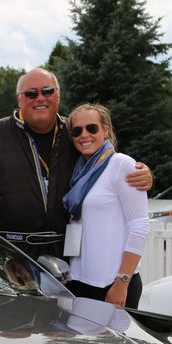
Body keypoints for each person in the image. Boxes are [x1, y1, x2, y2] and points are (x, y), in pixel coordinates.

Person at [0, 67, 152, 258]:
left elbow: (107, 168)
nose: (40, 98)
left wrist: (143, 173)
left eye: (47, 91)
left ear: (58, 95)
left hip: (69, 260)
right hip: (9, 258)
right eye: (31, 93)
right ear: (19, 99)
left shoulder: (75, 133)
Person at [62, 104, 149, 309]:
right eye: (77, 130)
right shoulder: (79, 171)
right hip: (80, 282)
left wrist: (121, 283)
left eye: (91, 128)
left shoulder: (121, 164)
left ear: (105, 130)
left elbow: (140, 226)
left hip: (113, 285)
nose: (84, 135)